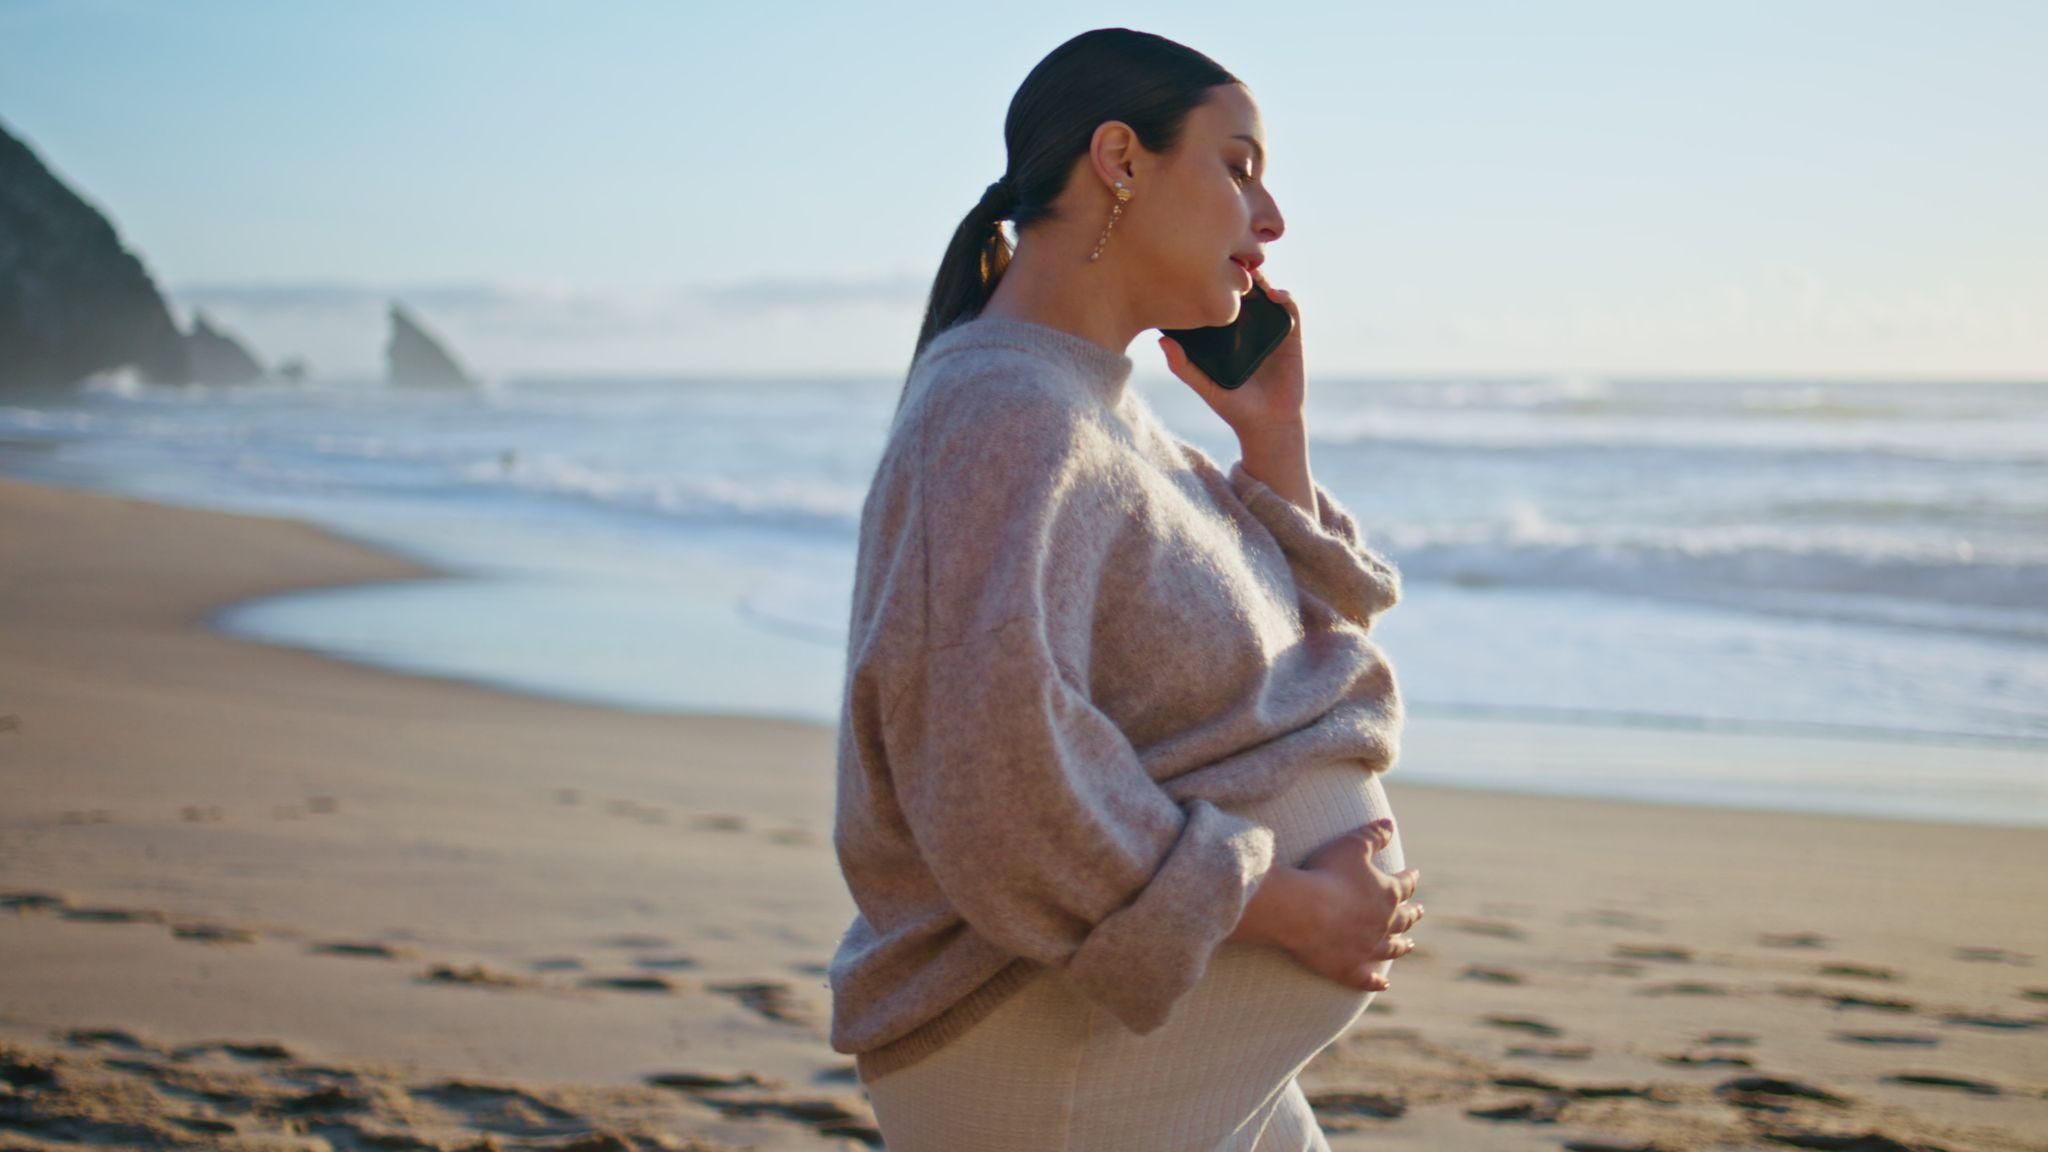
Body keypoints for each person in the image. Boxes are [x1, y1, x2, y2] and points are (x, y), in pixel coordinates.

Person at [827, 27, 1424, 1150]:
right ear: (1119, 159)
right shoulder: (1002, 416)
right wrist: (1292, 907)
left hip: (1137, 1055)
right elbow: (993, 777)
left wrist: (1274, 441)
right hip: (1050, 1062)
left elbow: (1296, 668)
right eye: (1236, 165)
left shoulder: (1097, 415)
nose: (1272, 217)